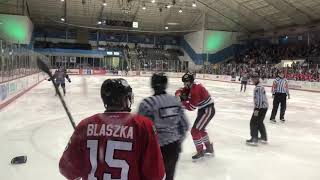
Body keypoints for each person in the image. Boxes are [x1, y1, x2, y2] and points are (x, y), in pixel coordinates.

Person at [59, 78, 166, 180]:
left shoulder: (85, 125)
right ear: (125, 99)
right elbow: (156, 174)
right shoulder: (143, 125)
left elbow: (66, 169)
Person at [138, 73, 189, 180]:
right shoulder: (175, 101)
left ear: (152, 84)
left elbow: (140, 130)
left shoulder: (147, 103)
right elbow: (185, 125)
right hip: (173, 147)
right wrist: (178, 142)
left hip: (155, 149)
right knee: (169, 177)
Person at [175, 72, 215, 161]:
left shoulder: (195, 90)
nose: (185, 84)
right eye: (184, 82)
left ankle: (200, 151)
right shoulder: (192, 86)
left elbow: (192, 107)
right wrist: (179, 94)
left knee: (195, 131)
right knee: (200, 130)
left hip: (207, 110)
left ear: (191, 81)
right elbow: (181, 90)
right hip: (205, 109)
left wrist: (182, 102)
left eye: (186, 82)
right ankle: (209, 148)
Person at [246, 73, 269, 146]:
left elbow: (259, 99)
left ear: (256, 79)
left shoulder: (258, 88)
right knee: (259, 122)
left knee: (253, 122)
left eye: (252, 79)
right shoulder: (260, 86)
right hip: (264, 107)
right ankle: (263, 138)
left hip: (259, 108)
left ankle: (254, 138)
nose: (252, 81)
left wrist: (257, 109)